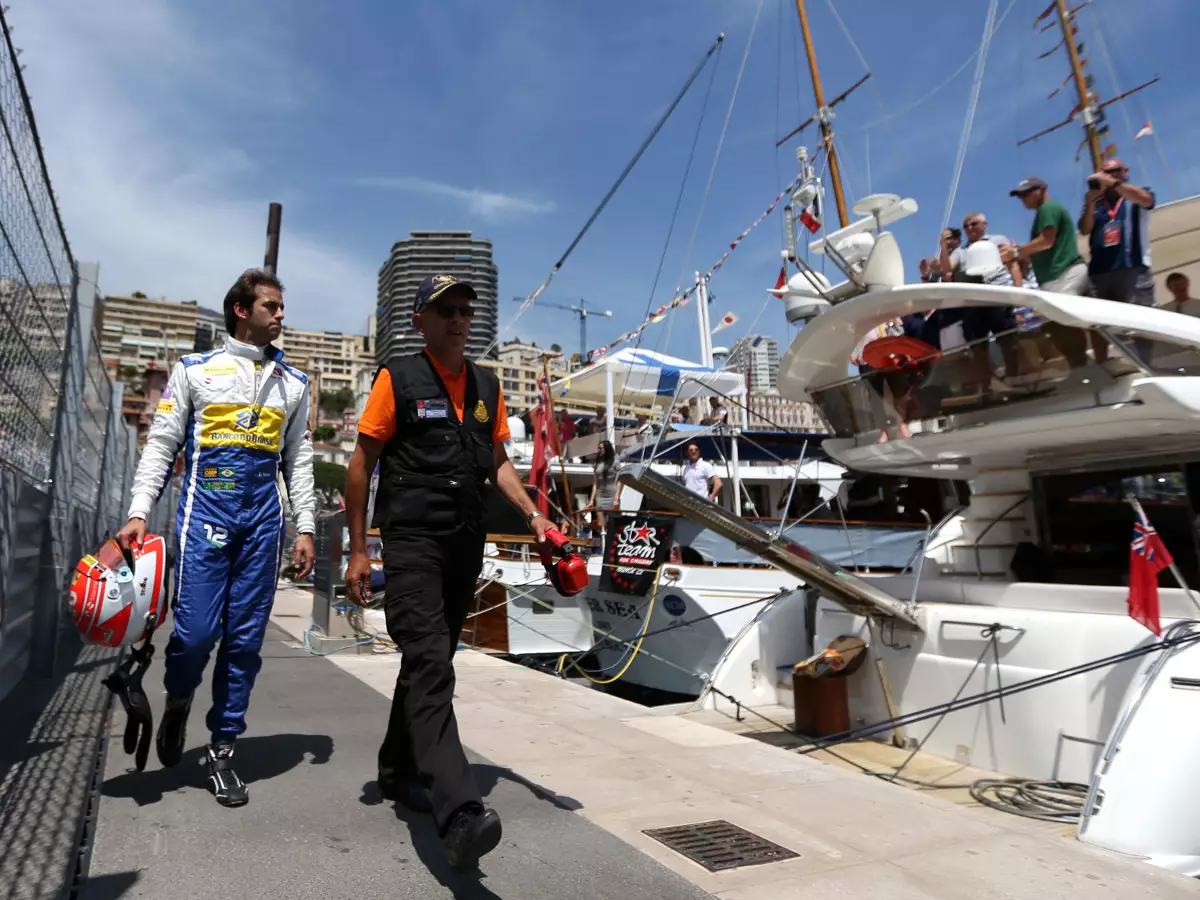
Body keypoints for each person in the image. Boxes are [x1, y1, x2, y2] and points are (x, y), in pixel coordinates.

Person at [342, 273, 553, 872]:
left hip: (464, 542)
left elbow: (498, 462)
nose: (459, 318)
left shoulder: (487, 385)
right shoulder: (397, 378)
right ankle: (459, 811)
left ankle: (396, 769)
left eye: (464, 309)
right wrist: (360, 549)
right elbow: (362, 465)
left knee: (430, 661)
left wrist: (535, 517)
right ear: (421, 321)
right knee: (431, 661)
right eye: (445, 309)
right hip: (410, 542)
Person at [115, 268, 316, 808]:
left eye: (281, 306)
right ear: (241, 311)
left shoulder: (293, 384)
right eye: (271, 306)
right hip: (204, 513)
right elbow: (160, 445)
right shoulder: (194, 371)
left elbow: (298, 461)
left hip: (262, 524)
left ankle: (222, 749)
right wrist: (139, 512)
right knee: (198, 632)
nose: (281, 315)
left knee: (245, 642)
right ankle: (178, 698)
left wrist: (305, 525)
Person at [1004, 177, 1090, 365]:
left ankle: (1082, 366)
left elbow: (1046, 240)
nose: (1023, 198)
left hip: (1064, 274)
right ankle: (1079, 366)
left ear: (1043, 189)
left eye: (1027, 193)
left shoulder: (1047, 209)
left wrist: (1017, 251)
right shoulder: (1045, 212)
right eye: (1020, 196)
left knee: (1062, 323)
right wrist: (1017, 254)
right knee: (1058, 326)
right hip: (1056, 278)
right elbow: (1043, 248)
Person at [1078, 158, 1156, 308]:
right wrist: (1089, 206)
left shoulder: (1136, 194)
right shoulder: (1096, 200)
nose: (1111, 175)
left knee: (1139, 322)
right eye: (1106, 172)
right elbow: (1084, 229)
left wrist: (1113, 182)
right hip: (1099, 272)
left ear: (1125, 172)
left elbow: (1146, 200)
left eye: (1116, 171)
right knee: (1103, 325)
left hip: (1132, 267)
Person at [588, 439, 621, 535]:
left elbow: (620, 480)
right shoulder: (597, 463)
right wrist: (591, 500)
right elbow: (595, 482)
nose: (599, 450)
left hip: (612, 494)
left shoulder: (615, 461)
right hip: (600, 495)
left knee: (612, 521)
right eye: (598, 448)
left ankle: (609, 540)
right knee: (600, 522)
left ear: (607, 448)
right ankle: (602, 539)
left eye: (601, 448)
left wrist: (617, 496)